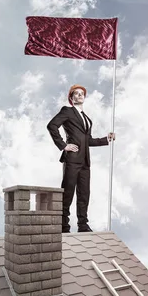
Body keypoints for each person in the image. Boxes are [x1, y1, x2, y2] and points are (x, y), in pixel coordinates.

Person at [47, 84, 115, 233]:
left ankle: (83, 225)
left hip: (85, 161)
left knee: (84, 194)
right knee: (68, 192)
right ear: (71, 98)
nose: (79, 95)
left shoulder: (86, 118)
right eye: (76, 94)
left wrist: (106, 139)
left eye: (82, 93)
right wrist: (64, 145)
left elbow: (88, 140)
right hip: (72, 159)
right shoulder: (67, 111)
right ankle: (63, 226)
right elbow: (52, 125)